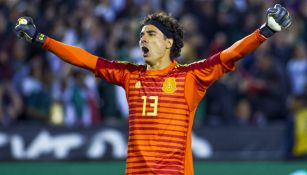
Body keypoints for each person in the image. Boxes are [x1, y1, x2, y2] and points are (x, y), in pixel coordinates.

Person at [14, 4, 291, 175]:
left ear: (169, 42)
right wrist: (42, 39)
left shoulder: (190, 77)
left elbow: (230, 55)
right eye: (141, 34)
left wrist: (264, 31)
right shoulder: (129, 75)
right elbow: (85, 59)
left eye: (150, 33)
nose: (142, 38)